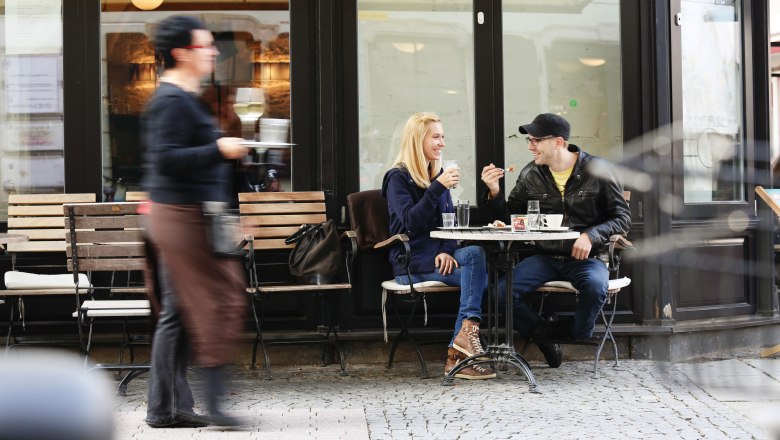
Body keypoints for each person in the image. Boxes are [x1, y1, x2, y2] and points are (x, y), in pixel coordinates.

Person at [141, 15, 250, 427]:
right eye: (205, 46)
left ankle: (166, 408)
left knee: (180, 310)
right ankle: (210, 406)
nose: (213, 52)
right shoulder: (169, 100)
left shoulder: (183, 97)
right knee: (218, 299)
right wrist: (218, 149)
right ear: (180, 52)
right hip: (181, 217)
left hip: (190, 215)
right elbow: (165, 160)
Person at [480, 113, 631, 368]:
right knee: (497, 294)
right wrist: (494, 192)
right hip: (545, 257)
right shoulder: (531, 173)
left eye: (536, 140)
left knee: (595, 287)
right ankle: (542, 333)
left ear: (559, 142)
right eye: (529, 140)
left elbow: (622, 218)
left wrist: (590, 235)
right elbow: (510, 218)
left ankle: (571, 333)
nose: (530, 146)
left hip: (587, 257)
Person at [381, 112, 495, 380]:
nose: (442, 143)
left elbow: (450, 223)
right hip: (410, 261)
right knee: (476, 276)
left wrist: (445, 249)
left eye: (443, 136)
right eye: (436, 136)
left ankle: (465, 336)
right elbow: (409, 222)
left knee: (475, 257)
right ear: (417, 140)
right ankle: (459, 355)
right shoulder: (397, 177)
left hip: (437, 257)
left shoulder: (438, 175)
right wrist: (435, 188)